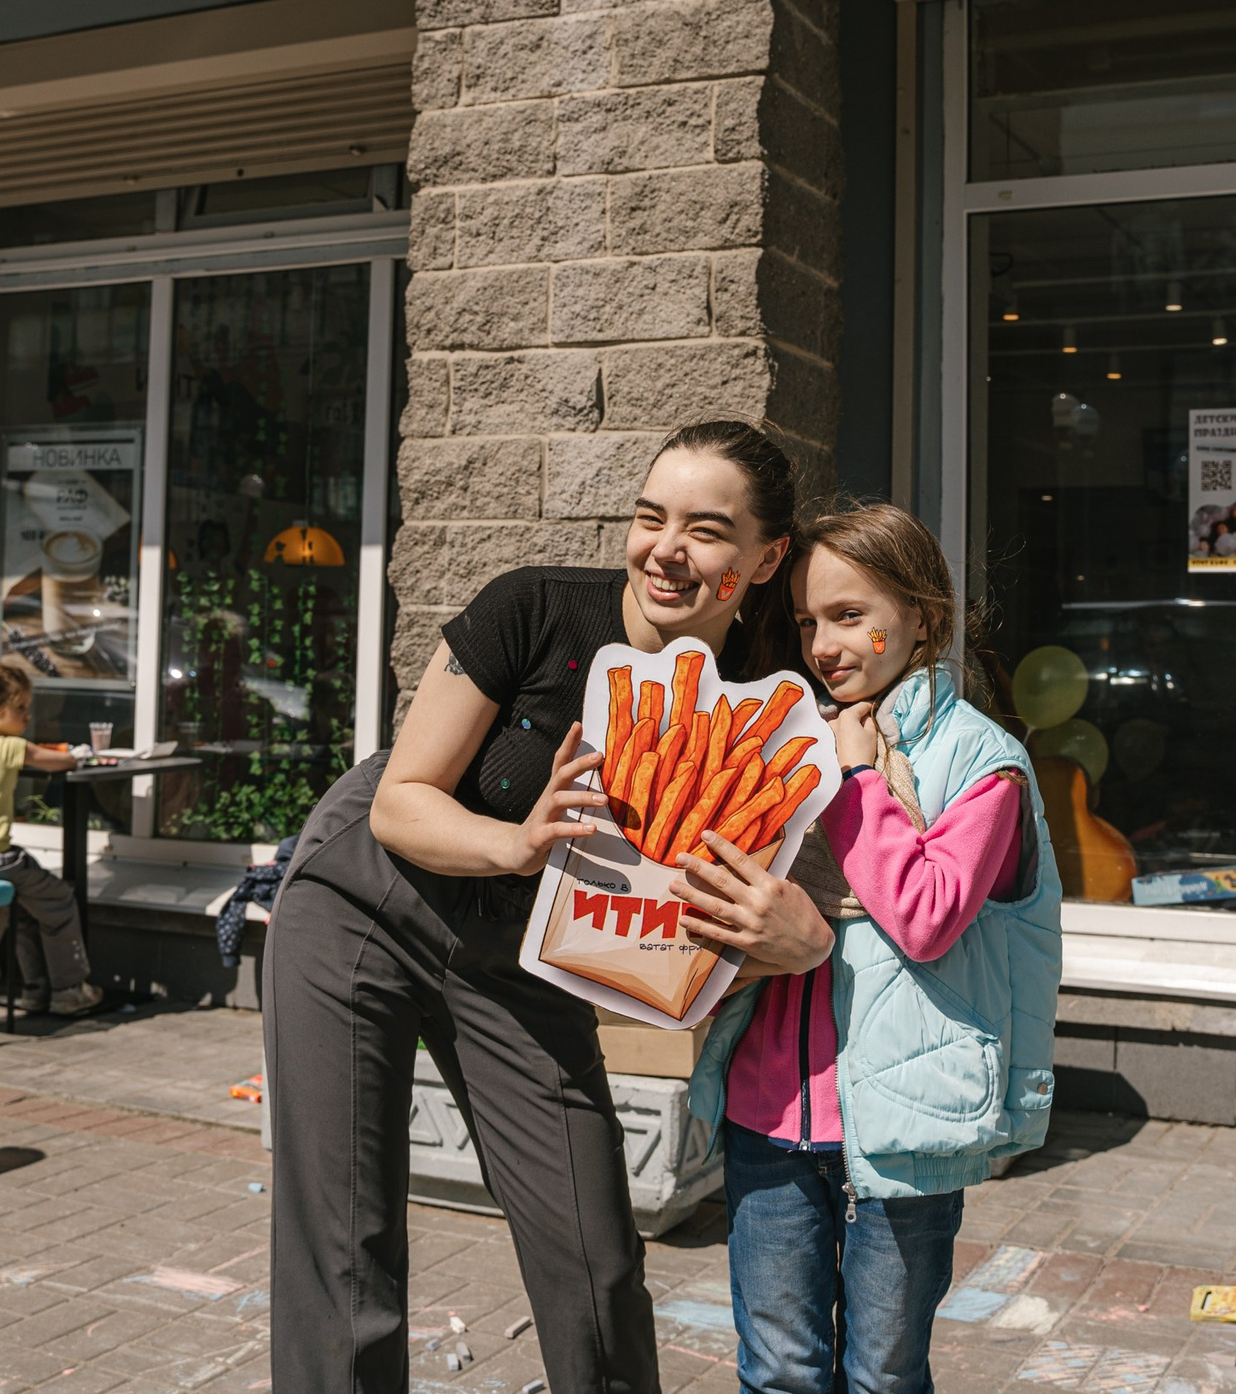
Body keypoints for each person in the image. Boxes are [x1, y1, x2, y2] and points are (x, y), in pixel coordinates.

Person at [263, 420, 837, 1394]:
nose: (666, 548)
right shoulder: (532, 609)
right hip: (365, 906)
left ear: (765, 556)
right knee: (346, 1245)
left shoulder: (759, 704)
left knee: (594, 1260)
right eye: (650, 516)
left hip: (523, 962)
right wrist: (517, 845)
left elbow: (751, 902)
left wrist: (804, 940)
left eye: (705, 530)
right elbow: (405, 801)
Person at [674, 501, 1062, 1393]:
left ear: (922, 616)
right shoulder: (783, 740)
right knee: (778, 1369)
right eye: (809, 620)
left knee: (884, 1374)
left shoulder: (982, 763)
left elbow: (924, 915)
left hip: (903, 1130)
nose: (823, 645)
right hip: (767, 1112)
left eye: (849, 616)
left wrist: (853, 780)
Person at [0, 661, 105, 1018]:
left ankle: (34, 987)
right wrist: (79, 755)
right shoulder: (9, 747)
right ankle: (69, 989)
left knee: (28, 905)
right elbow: (62, 763)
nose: (28, 716)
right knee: (58, 900)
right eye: (21, 708)